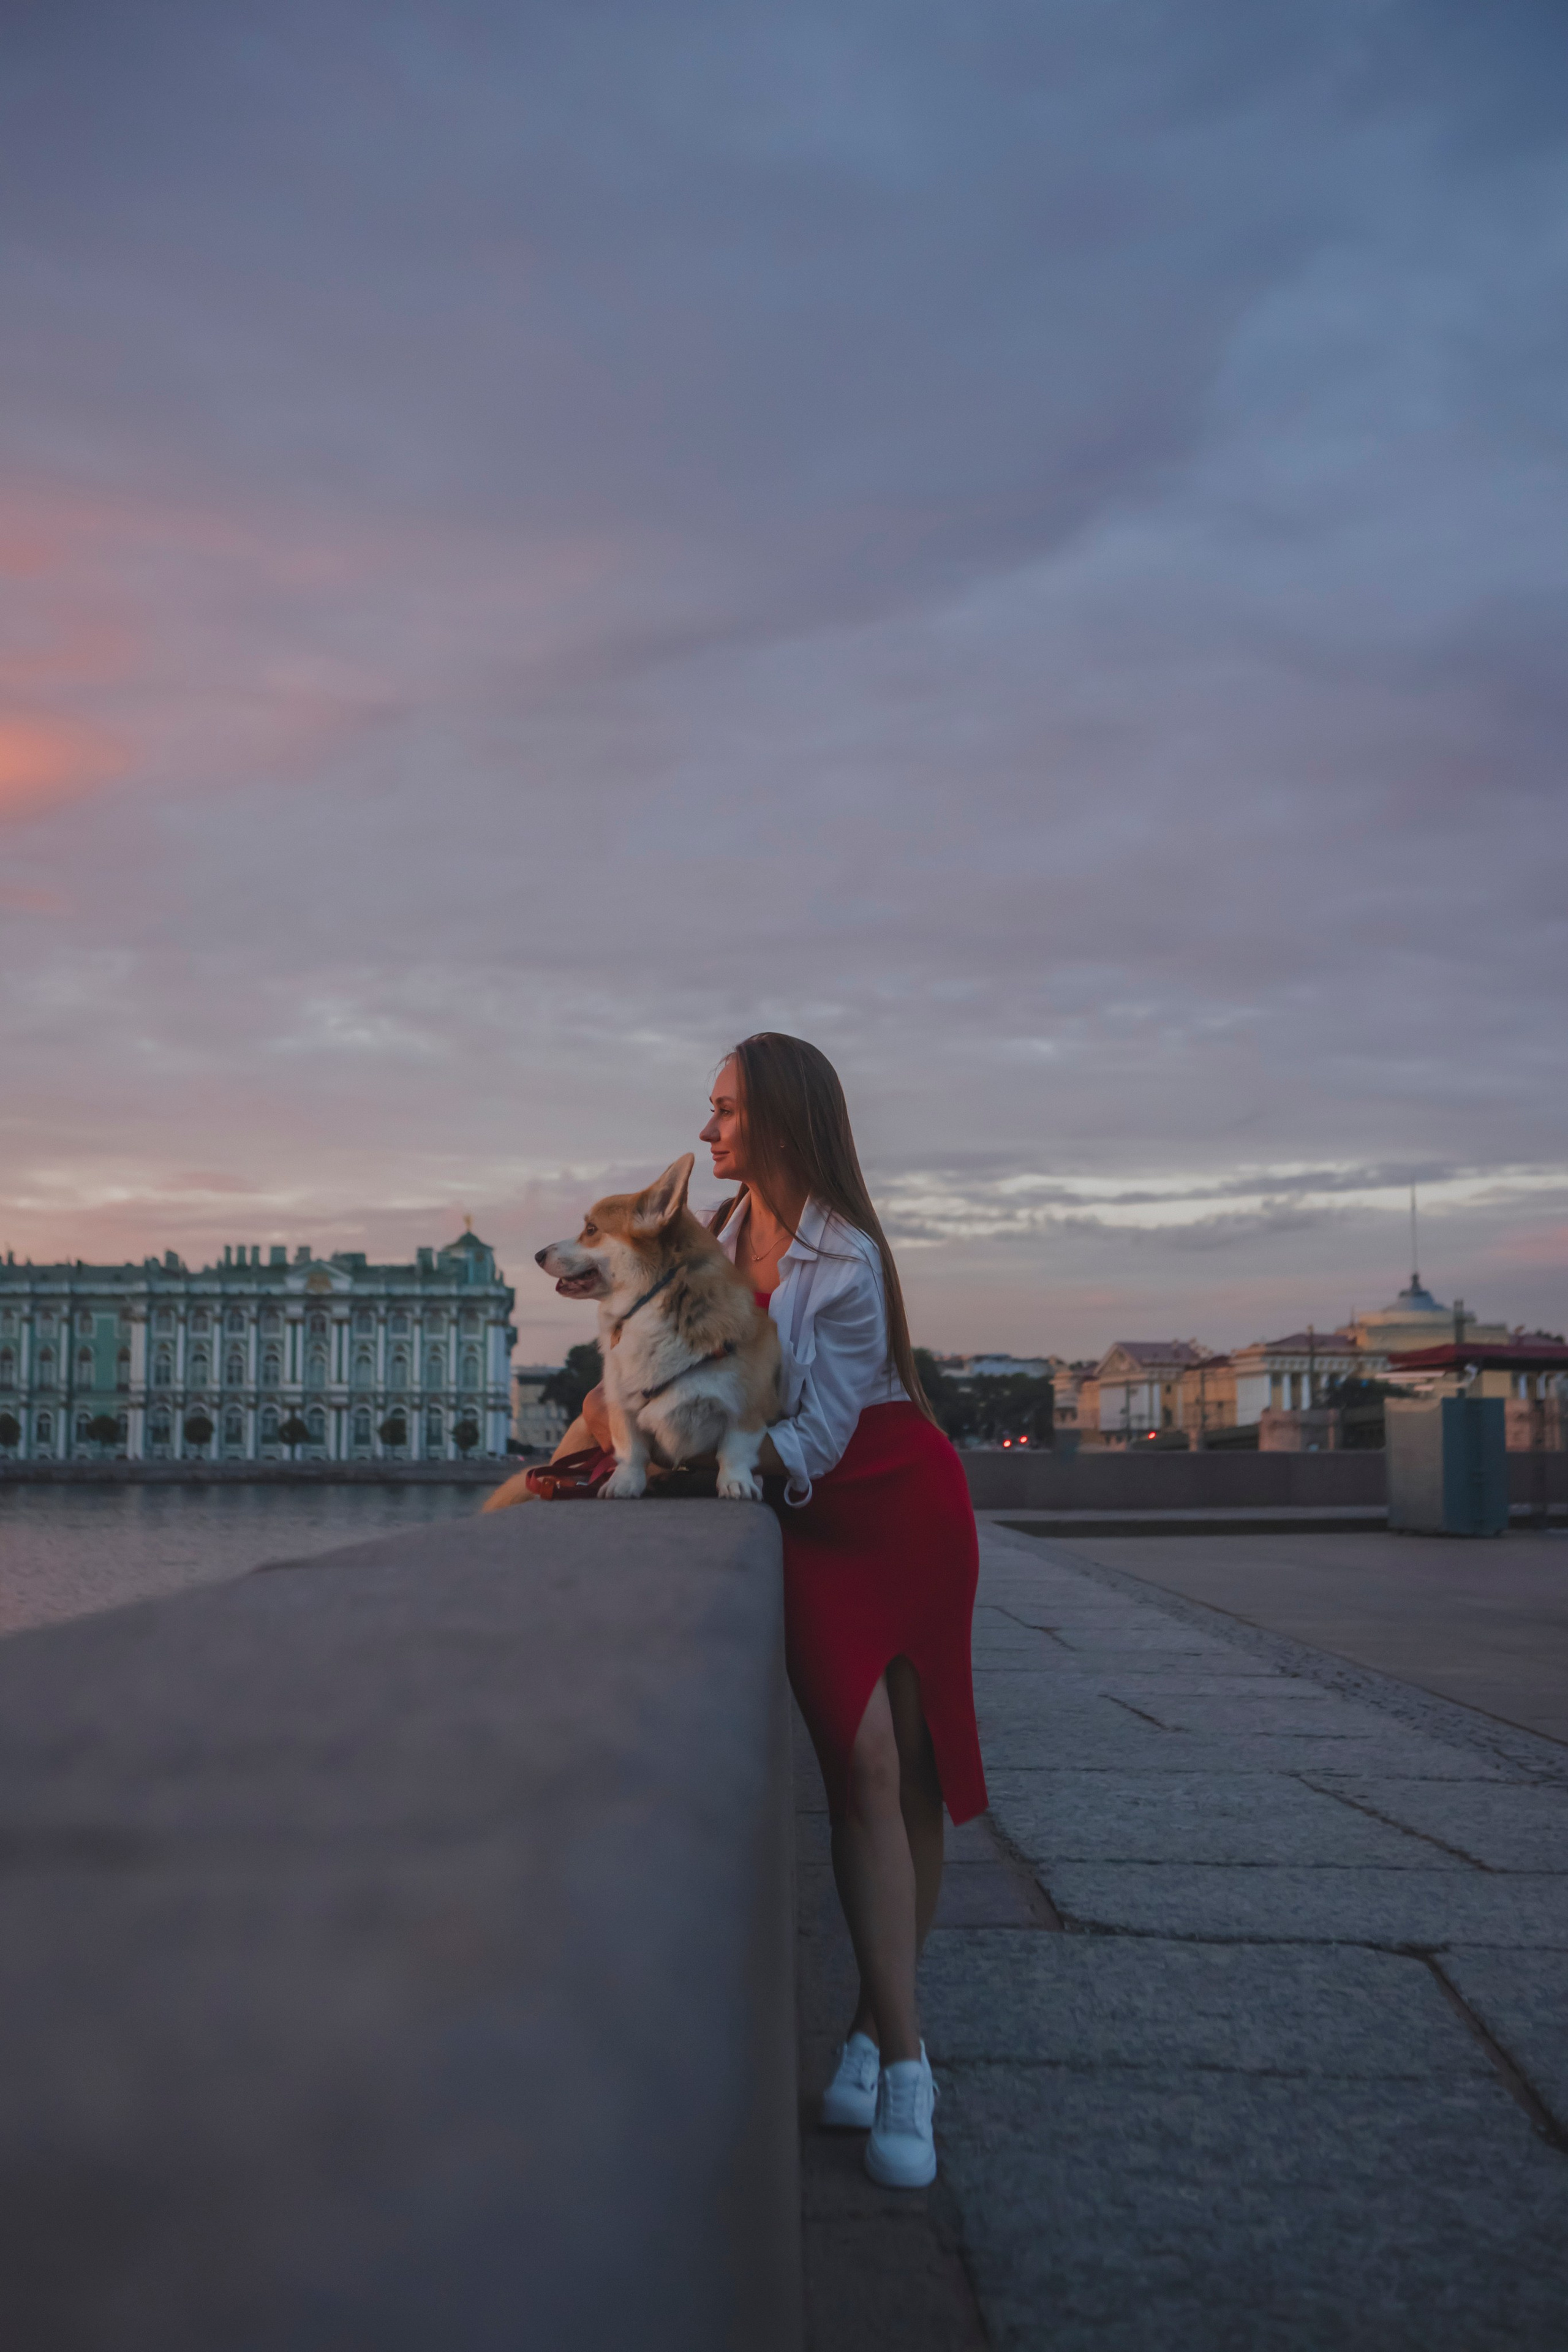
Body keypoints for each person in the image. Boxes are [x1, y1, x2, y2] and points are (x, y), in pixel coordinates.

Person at [575, 1033, 987, 2188]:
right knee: (857, 1769)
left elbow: (812, 1433)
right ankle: (891, 2042)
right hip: (796, 1509)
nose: (705, 1131)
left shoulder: (848, 1262)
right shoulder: (706, 1237)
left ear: (783, 1124)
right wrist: (596, 1439)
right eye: (706, 1113)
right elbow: (646, 1351)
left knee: (909, 1775)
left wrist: (685, 1438)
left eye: (724, 1112)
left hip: (884, 1496)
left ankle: (890, 2046)